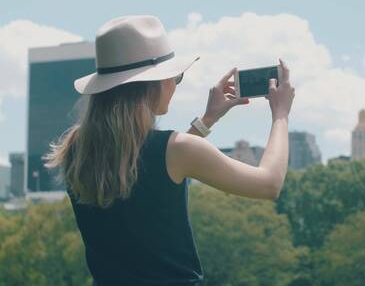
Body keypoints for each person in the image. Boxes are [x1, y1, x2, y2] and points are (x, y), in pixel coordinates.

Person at [43, 15, 295, 286]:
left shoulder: (76, 149)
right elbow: (269, 184)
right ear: (153, 84)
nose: (175, 85)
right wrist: (280, 114)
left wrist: (207, 119)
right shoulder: (178, 151)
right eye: (176, 77)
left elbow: (153, 172)